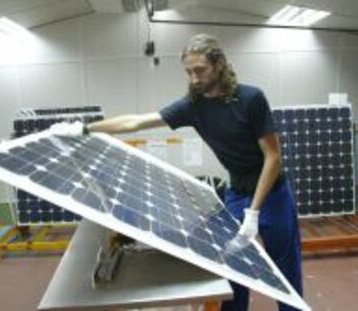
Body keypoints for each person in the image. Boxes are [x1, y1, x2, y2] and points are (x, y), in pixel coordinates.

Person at [52, 33, 303, 311]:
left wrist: (254, 212)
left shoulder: (251, 98)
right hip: (237, 194)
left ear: (218, 64)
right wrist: (85, 128)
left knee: (285, 271)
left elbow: (273, 156)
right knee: (235, 270)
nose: (194, 78)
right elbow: (136, 122)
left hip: (274, 194)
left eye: (200, 70)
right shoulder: (193, 107)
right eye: (189, 72)